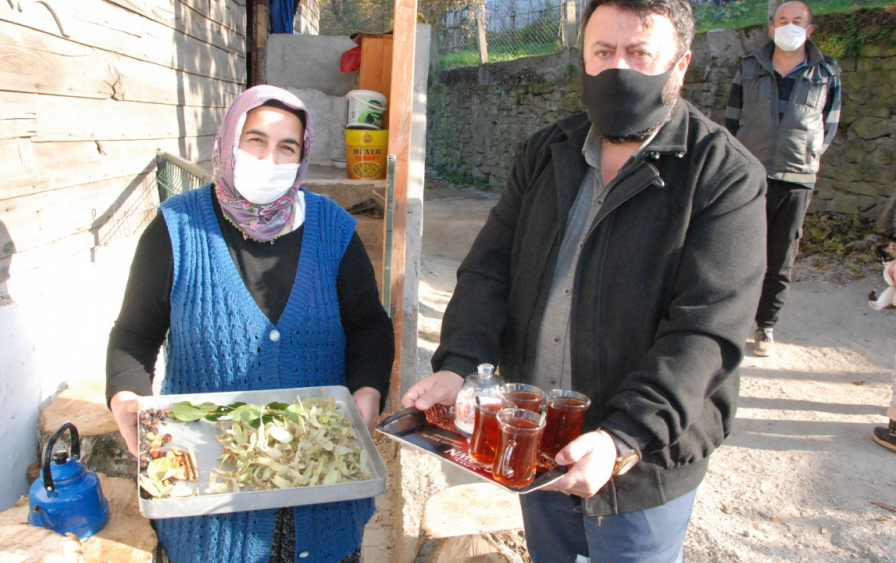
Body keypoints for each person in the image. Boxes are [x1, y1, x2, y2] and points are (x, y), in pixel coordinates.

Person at [401, 0, 767, 560]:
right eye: (603, 52)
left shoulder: (725, 175)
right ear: (584, 60)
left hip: (642, 462)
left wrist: (623, 437)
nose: (618, 69)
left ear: (681, 64)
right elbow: (489, 270)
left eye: (640, 53)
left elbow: (707, 331)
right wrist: (458, 368)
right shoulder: (547, 152)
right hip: (538, 441)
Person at [106, 85, 395, 563]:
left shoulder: (334, 229)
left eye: (288, 147)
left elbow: (368, 325)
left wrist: (367, 390)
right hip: (209, 511)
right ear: (228, 143)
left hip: (324, 496)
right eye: (255, 141)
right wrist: (126, 395)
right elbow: (134, 334)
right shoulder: (176, 228)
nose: (269, 158)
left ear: (303, 157)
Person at [724, 1, 842, 357]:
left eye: (798, 21)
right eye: (782, 20)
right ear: (771, 28)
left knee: (780, 257)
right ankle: (730, 321)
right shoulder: (749, 67)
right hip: (751, 175)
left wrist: (807, 156)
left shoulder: (827, 72)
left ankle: (766, 328)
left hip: (796, 176)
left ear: (810, 29)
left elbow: (830, 126)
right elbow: (732, 119)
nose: (789, 26)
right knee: (738, 252)